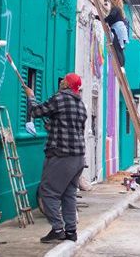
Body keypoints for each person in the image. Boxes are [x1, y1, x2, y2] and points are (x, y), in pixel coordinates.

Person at [25, 73, 87, 243]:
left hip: (62, 155)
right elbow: (72, 128)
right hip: (79, 157)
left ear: (67, 84)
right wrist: (52, 126)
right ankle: (71, 231)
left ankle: (57, 228)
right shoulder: (81, 104)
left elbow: (36, 111)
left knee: (48, 192)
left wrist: (31, 97)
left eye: (64, 80)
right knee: (69, 194)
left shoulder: (59, 98)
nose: (61, 82)